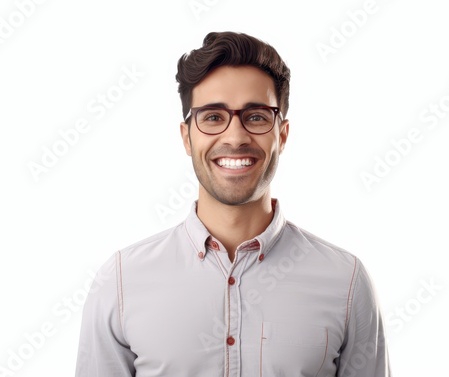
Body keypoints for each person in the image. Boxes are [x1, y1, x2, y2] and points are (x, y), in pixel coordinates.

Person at [75, 31, 391, 377]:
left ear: (281, 135)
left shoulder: (346, 282)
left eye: (256, 116)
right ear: (187, 137)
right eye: (213, 117)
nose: (236, 137)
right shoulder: (120, 281)